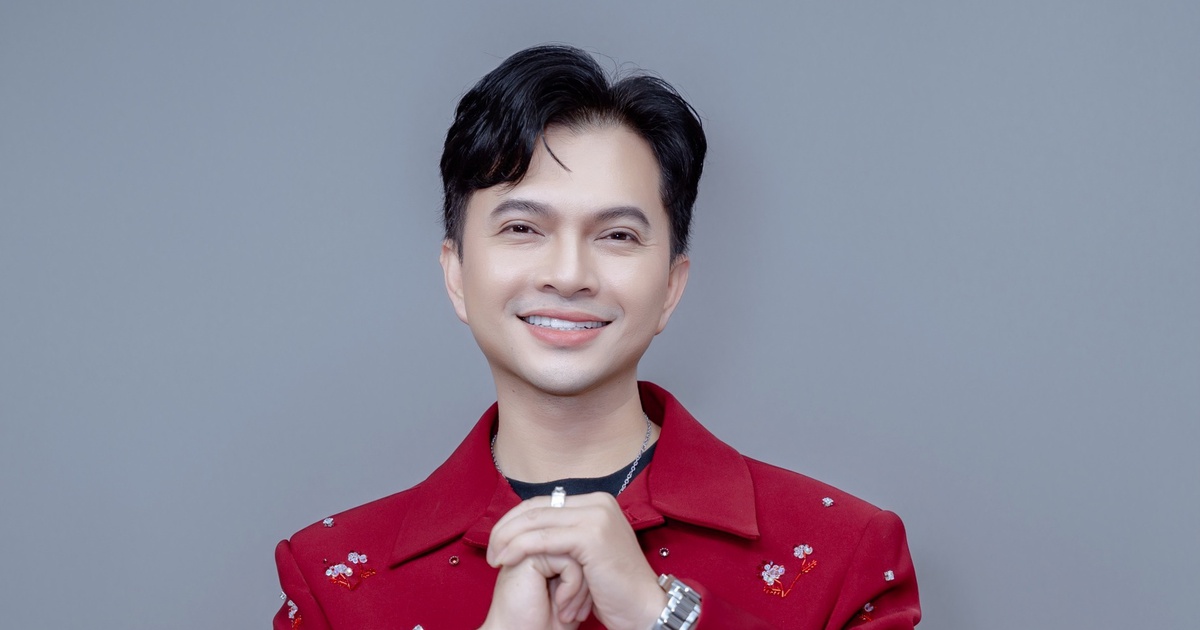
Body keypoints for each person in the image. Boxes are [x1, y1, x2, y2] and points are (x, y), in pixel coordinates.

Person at [273, 44, 920, 630]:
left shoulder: (843, 554)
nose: (568, 275)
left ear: (671, 286)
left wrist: (659, 617)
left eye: (617, 235)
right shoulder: (334, 582)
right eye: (523, 228)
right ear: (456, 274)